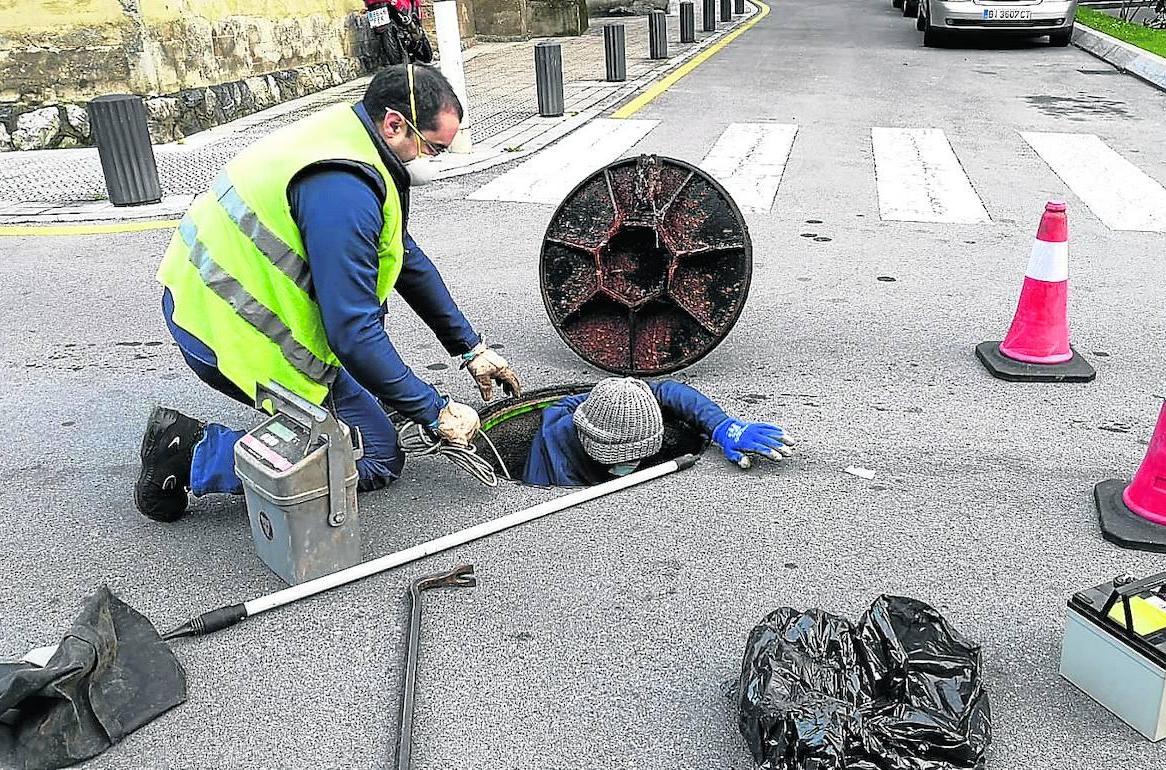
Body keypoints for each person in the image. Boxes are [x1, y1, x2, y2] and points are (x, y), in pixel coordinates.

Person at [135, 64, 520, 522]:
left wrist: (469, 348)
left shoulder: (352, 135)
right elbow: (352, 333)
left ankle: (329, 421)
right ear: (395, 123)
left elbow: (401, 256)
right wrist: (435, 412)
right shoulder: (343, 190)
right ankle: (191, 453)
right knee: (378, 455)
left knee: (377, 395)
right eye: (432, 148)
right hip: (230, 332)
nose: (432, 161)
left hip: (201, 300)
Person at [523, 378, 796, 487]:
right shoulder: (555, 468)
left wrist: (721, 425)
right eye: (627, 457)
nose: (634, 462)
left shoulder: (583, 408)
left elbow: (666, 391)